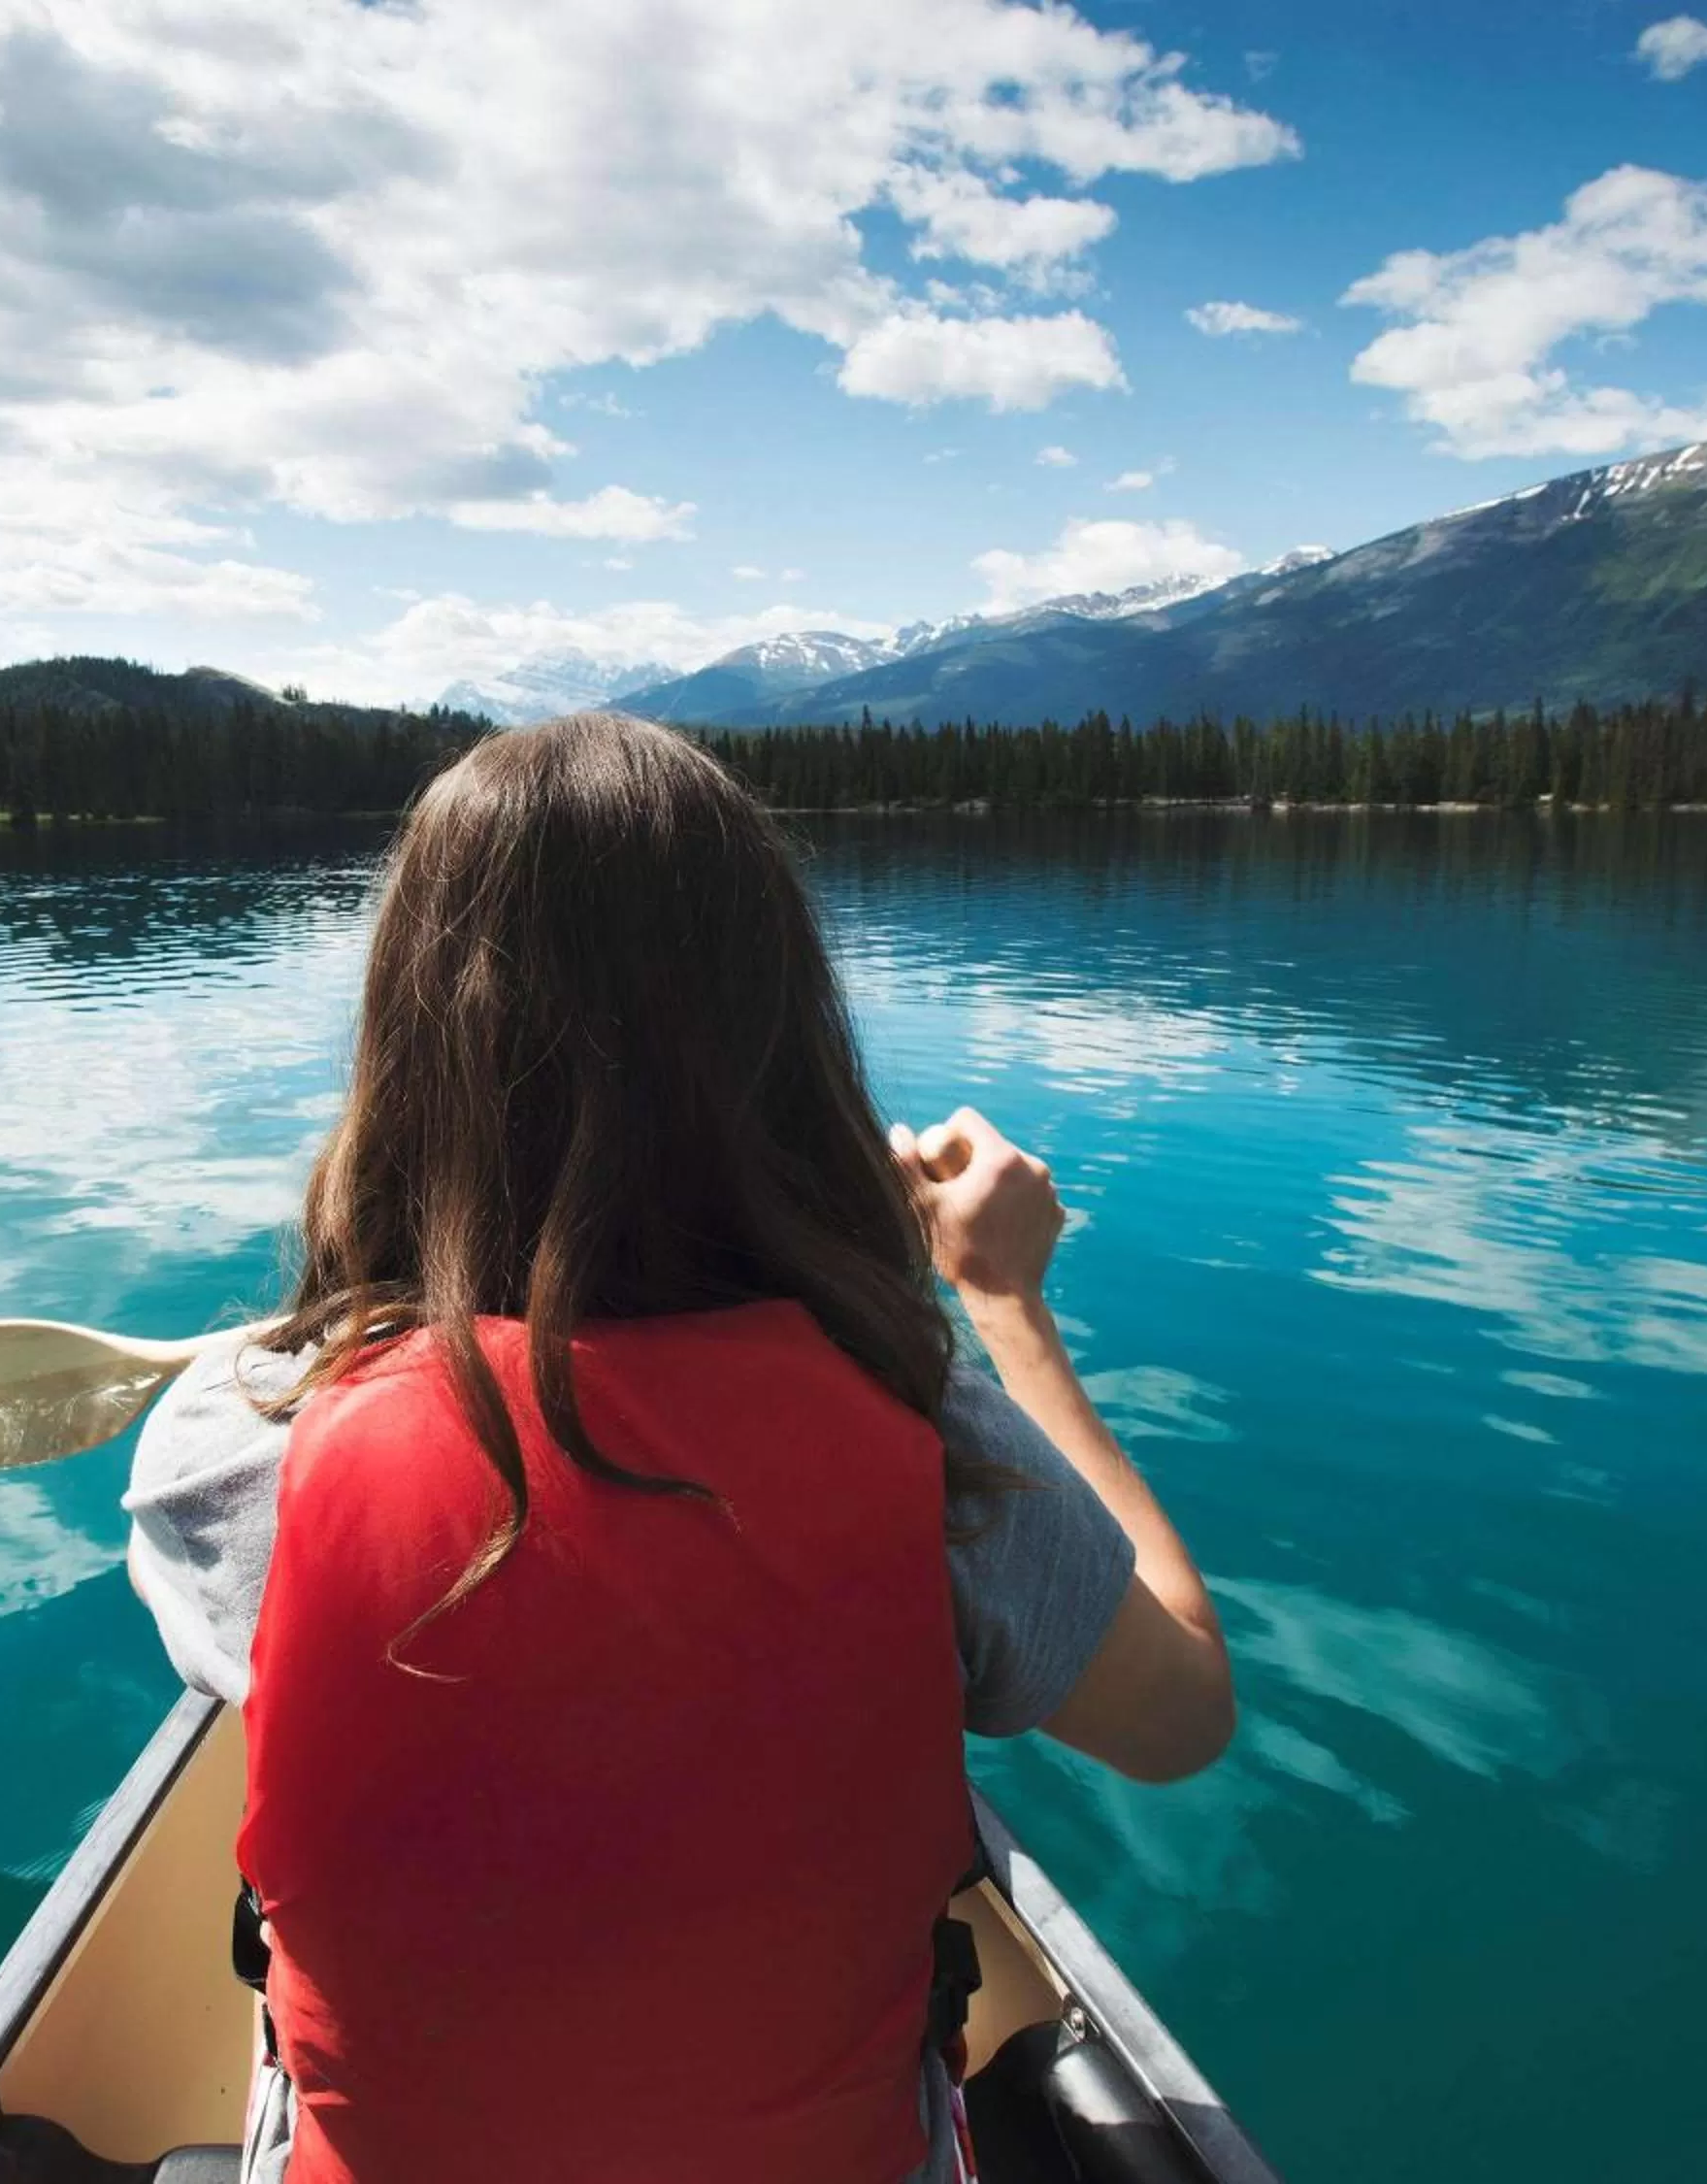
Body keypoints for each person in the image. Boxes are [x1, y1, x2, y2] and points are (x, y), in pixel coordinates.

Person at [126, 711, 1231, 2184]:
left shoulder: (226, 1447)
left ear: (407, 1048)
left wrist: (346, 1320)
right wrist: (1001, 1306)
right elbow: (1183, 1711)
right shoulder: (920, 1434)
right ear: (782, 1043)